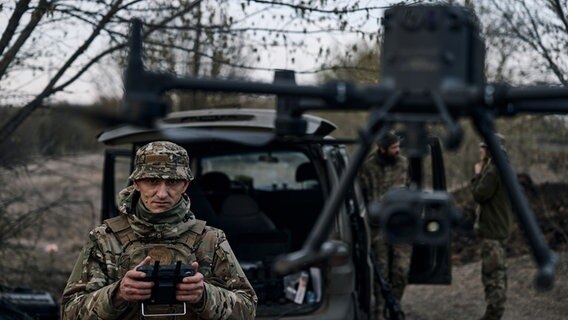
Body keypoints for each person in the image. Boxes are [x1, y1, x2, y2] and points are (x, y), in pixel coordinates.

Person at [61, 141, 257, 319]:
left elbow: (248, 310)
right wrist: (117, 294)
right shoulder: (104, 239)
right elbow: (69, 312)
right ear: (137, 183)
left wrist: (205, 296)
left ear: (185, 185)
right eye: (152, 181)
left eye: (172, 182)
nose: (162, 194)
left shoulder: (211, 240)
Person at [359, 131, 410, 319]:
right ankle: (380, 312)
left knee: (401, 271)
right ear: (381, 148)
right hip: (377, 228)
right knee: (381, 275)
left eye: (398, 147)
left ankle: (394, 306)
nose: (397, 151)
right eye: (393, 148)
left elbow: (412, 189)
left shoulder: (404, 164)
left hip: (401, 227)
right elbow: (359, 198)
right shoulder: (367, 167)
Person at [470, 134, 512, 320]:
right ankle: (495, 312)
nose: (481, 150)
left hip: (493, 231)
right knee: (499, 272)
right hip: (501, 229)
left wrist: (477, 174)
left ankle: (494, 315)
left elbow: (479, 195)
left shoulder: (493, 171)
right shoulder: (506, 169)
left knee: (493, 275)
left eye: (484, 147)